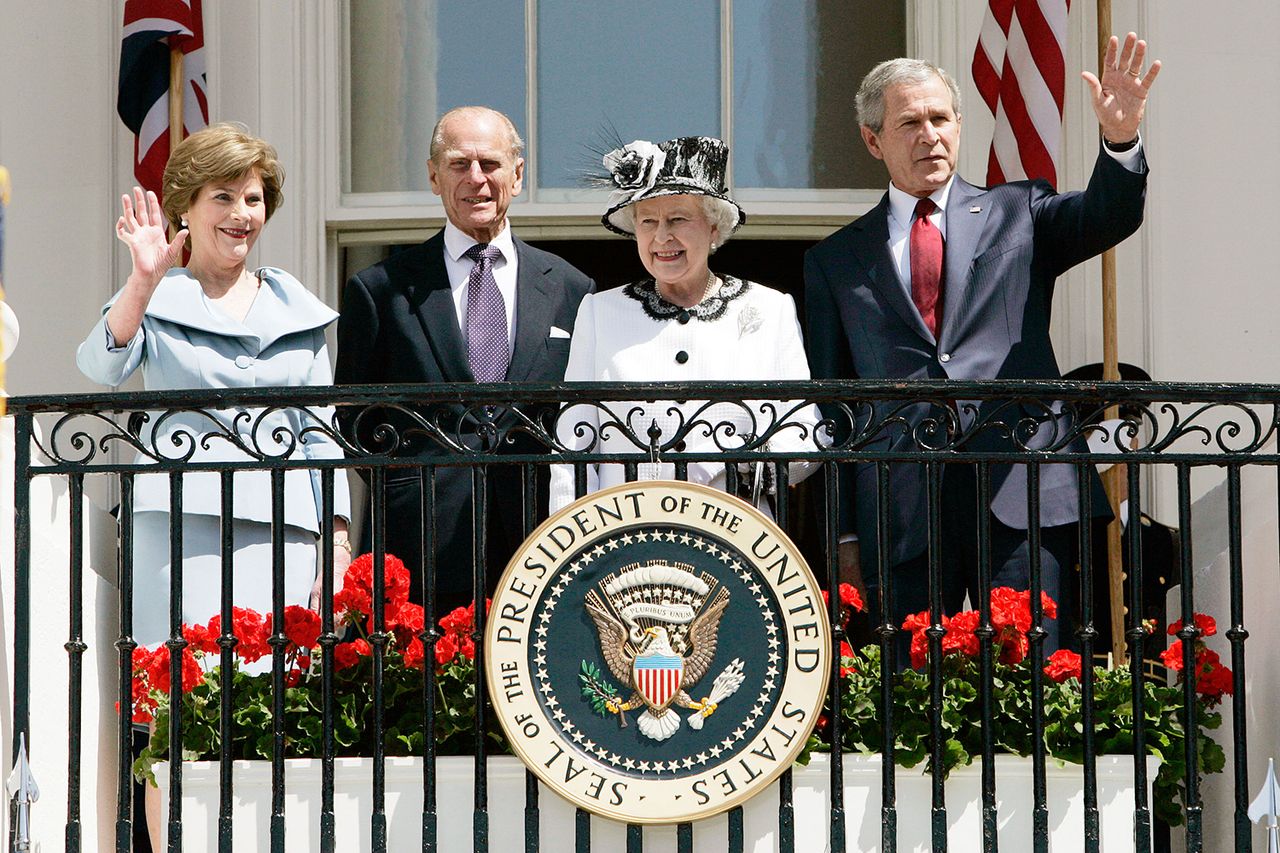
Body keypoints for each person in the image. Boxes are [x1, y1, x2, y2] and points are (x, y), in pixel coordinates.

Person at [804, 34, 1161, 652]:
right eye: (909, 123)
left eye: (940, 119)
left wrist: (1120, 140)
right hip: (901, 503)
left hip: (1021, 482)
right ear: (873, 141)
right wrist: (844, 538)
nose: (929, 135)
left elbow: (1107, 215)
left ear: (959, 126)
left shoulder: (1019, 210)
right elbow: (833, 407)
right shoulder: (835, 260)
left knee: (1035, 676)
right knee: (907, 695)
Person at [77, 123, 352, 648]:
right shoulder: (157, 296)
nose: (240, 214)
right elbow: (99, 367)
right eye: (222, 197)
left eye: (252, 198)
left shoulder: (297, 310)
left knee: (275, 706)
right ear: (187, 208)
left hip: (283, 527)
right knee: (179, 697)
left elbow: (323, 437)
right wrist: (142, 279)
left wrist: (337, 550)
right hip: (177, 524)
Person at [335, 106, 594, 614]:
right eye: (459, 164)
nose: (477, 179)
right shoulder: (381, 288)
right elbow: (354, 418)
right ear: (434, 176)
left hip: (539, 540)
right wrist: (412, 483)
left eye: (491, 164)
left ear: (517, 176)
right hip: (420, 546)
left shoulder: (570, 288)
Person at [549, 136, 822, 513]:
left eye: (678, 219)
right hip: (626, 539)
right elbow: (572, 449)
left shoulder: (770, 310)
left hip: (739, 535)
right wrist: (573, 551)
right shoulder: (600, 312)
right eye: (648, 221)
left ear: (713, 228)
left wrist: (750, 457)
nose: (662, 237)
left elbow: (807, 439)